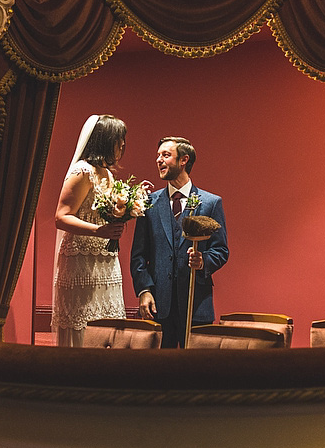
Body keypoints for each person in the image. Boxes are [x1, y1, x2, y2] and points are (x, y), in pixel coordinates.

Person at [130, 137, 228, 348]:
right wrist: (144, 290)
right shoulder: (148, 203)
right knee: (159, 373)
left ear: (184, 160)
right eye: (158, 155)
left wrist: (203, 261)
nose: (158, 160)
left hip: (196, 304)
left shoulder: (210, 203)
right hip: (158, 306)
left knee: (194, 373)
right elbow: (138, 255)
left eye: (165, 155)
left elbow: (221, 250)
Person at [51, 114, 129, 347]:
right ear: (105, 140)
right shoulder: (82, 171)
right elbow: (61, 217)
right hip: (81, 260)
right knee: (82, 319)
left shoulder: (107, 174)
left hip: (105, 259)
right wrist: (99, 231)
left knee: (107, 319)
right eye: (119, 139)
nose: (123, 145)